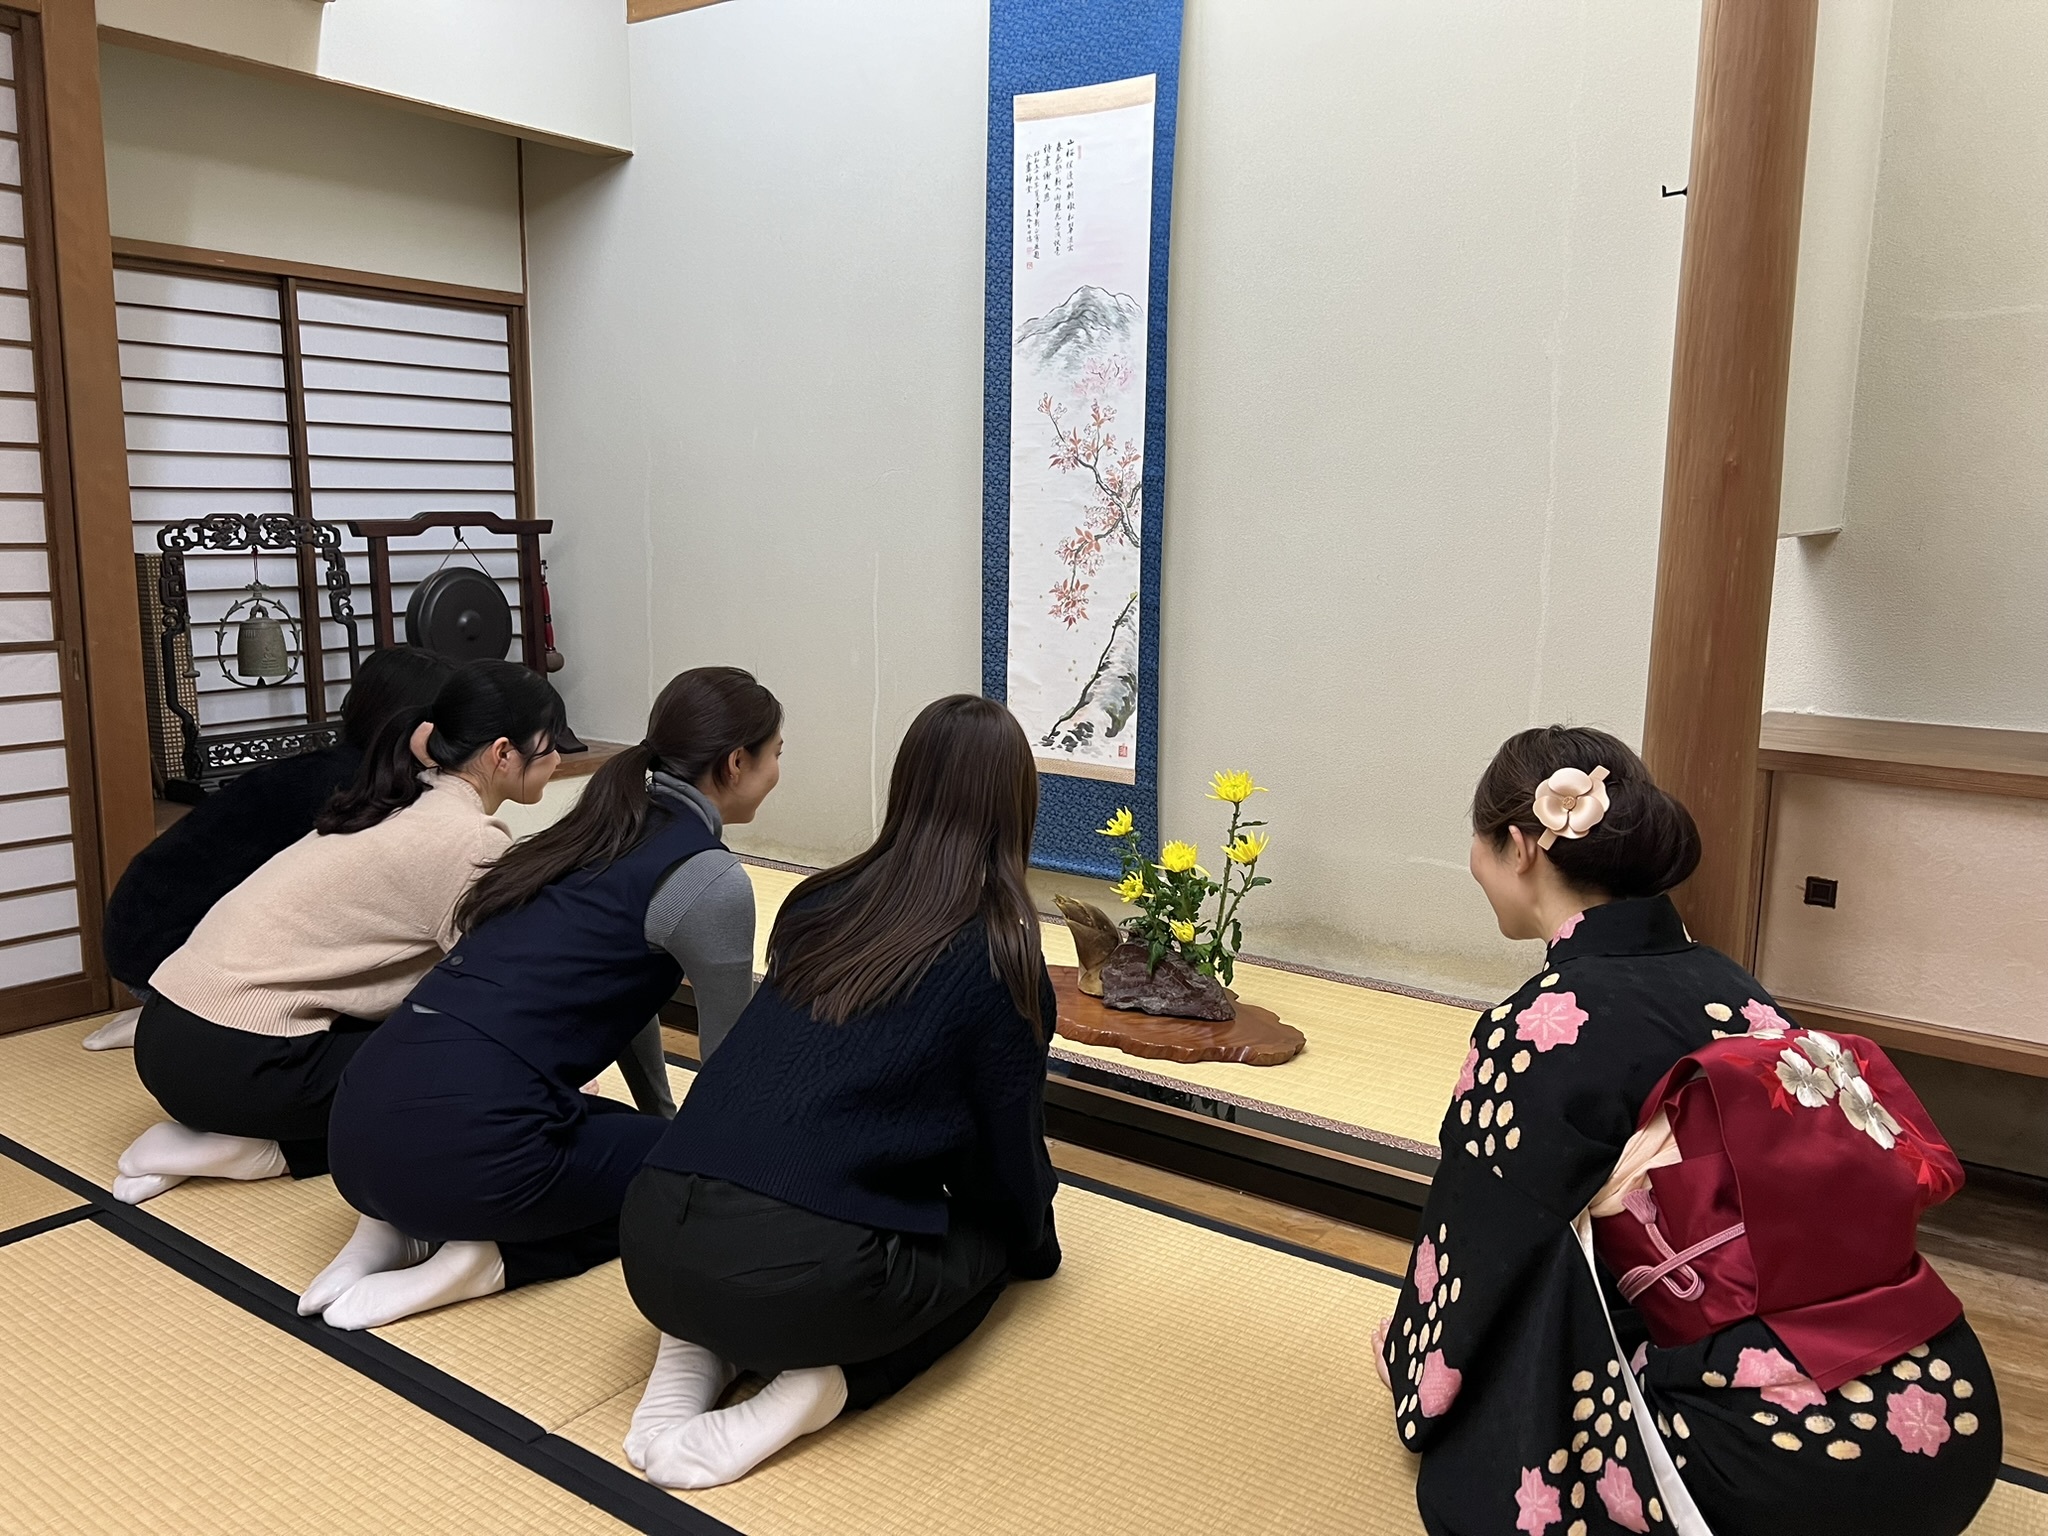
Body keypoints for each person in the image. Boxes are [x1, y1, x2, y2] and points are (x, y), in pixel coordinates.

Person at [1375, 726, 2000, 1536]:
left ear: (1521, 847)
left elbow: (1479, 1248)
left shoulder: (1535, 1027)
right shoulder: (1734, 986)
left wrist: (1417, 1365)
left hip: (1773, 1467)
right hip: (1950, 1414)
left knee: (1506, 1427)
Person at [614, 694, 1062, 1492]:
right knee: (992, 1244)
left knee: (773, 1206)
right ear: (1016, 807)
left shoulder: (817, 901)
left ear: (907, 786)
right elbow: (1005, 1161)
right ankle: (825, 1385)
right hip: (800, 1282)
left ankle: (694, 1347)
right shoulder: (1002, 956)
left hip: (649, 1235)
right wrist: (1035, 1247)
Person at [307, 666, 782, 1331]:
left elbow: (622, 1000)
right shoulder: (709, 879)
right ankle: (488, 1261)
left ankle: (389, 1232)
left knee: (620, 1134)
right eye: (776, 753)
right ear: (735, 763)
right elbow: (730, 1064)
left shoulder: (583, 836)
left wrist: (658, 1114)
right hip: (465, 1154)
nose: (778, 770)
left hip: (356, 1130)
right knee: (703, 1188)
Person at [113, 660, 566, 1206]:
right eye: (549, 746)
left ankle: (229, 1137)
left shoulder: (397, 799)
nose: (558, 760)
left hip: (167, 1035)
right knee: (482, 1076)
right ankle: (261, 1151)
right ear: (503, 754)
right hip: (237, 1064)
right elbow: (500, 989)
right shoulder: (466, 840)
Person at [86, 646, 456, 1050]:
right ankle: (173, 1018)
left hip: (141, 938)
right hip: (167, 957)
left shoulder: (342, 770)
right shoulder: (353, 790)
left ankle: (167, 1015)